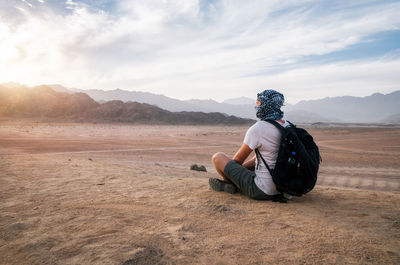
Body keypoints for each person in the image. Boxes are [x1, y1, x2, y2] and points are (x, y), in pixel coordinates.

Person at [209, 89, 290, 200]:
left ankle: (231, 185)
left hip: (263, 190)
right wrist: (243, 170)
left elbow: (237, 161)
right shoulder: (289, 126)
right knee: (259, 156)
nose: (257, 106)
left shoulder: (259, 128)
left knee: (218, 157)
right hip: (286, 188)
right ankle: (231, 184)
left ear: (266, 105)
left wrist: (236, 174)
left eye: (259, 103)